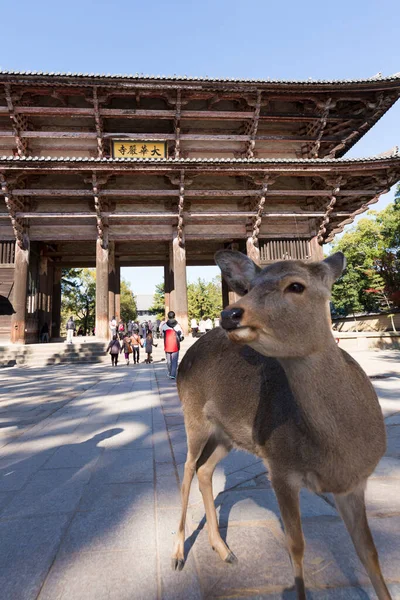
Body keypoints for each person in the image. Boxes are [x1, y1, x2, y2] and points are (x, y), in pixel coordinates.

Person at [162, 310, 183, 380]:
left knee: (169, 361)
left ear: (168, 317)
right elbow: (181, 335)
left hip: (167, 345)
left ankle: (170, 371)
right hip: (175, 345)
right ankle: (173, 374)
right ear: (174, 316)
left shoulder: (164, 326)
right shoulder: (177, 325)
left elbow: (162, 334)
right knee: (174, 360)